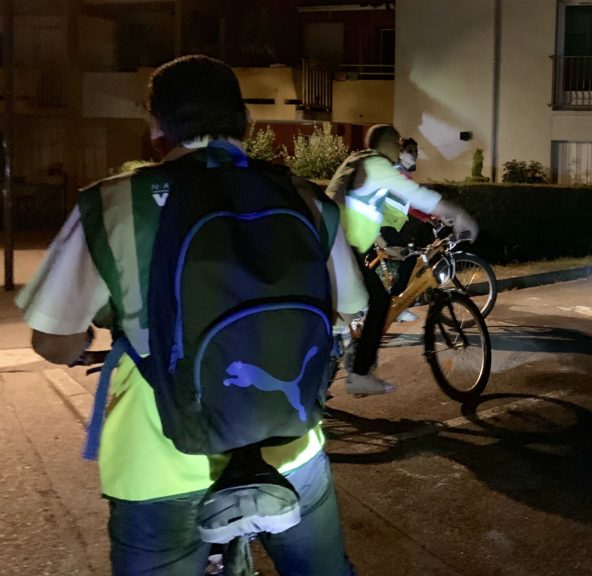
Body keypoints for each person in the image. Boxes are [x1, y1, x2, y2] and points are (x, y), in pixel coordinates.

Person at [17, 55, 366, 576]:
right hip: (289, 447)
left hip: (161, 464)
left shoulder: (116, 203)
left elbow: (53, 341)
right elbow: (350, 310)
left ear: (156, 126)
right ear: (243, 122)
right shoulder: (304, 198)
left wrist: (94, 339)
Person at [326, 124, 478, 396]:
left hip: (338, 246)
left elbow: (358, 210)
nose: (401, 150)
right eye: (397, 144)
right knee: (377, 303)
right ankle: (359, 373)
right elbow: (419, 196)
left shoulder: (358, 162)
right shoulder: (377, 165)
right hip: (339, 249)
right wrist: (459, 215)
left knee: (346, 312)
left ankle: (331, 356)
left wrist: (384, 244)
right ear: (387, 144)